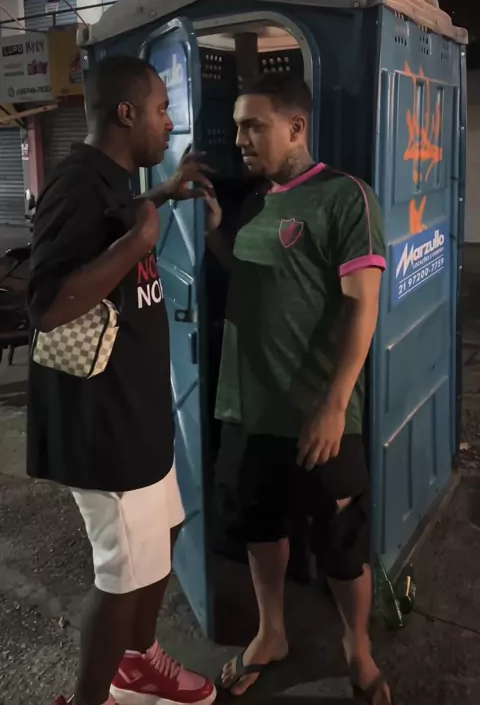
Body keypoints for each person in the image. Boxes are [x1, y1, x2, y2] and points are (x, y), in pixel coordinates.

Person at [27, 56, 217, 705]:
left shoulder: (113, 180)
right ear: (126, 113)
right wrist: (135, 247)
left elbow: (115, 219)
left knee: (164, 535)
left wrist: (162, 196)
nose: (170, 122)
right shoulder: (75, 182)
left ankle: (136, 662)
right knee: (122, 574)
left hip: (137, 415)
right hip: (102, 426)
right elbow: (46, 305)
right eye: (162, 109)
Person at [206, 72, 391, 705]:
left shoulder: (345, 197)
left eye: (253, 126)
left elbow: (362, 305)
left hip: (317, 411)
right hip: (248, 407)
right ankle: (271, 633)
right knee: (261, 528)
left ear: (295, 127)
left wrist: (335, 404)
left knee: (341, 543)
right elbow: (253, 275)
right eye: (237, 127)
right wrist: (215, 233)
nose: (240, 140)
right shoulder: (256, 202)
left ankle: (358, 650)